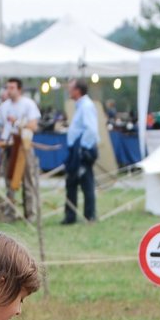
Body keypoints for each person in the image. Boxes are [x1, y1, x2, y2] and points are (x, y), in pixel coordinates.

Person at [0, 78, 41, 220]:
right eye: (7, 87)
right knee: (9, 181)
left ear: (19, 89)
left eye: (12, 87)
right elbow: (2, 127)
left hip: (23, 146)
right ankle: (10, 212)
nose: (9, 90)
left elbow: (33, 125)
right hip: (8, 145)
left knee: (28, 180)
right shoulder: (4, 106)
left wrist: (17, 122)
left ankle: (30, 213)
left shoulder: (28, 104)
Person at [62, 79, 100, 225]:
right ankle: (70, 216)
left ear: (78, 90)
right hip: (77, 149)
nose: (68, 90)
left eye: (71, 88)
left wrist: (82, 149)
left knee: (86, 182)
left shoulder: (86, 106)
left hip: (82, 150)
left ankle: (89, 216)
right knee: (71, 182)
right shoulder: (81, 106)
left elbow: (91, 129)